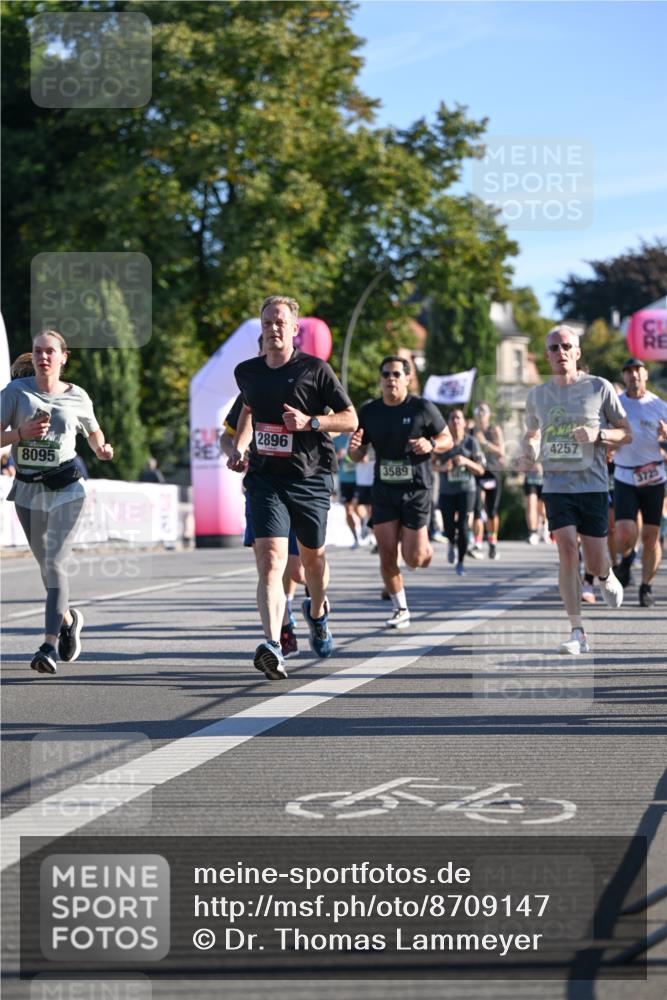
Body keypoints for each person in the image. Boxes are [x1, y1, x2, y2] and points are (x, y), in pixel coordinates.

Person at [233, 296, 357, 679]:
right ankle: (273, 643)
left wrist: (311, 423)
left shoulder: (315, 370)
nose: (273, 328)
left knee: (312, 561)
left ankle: (317, 612)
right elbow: (247, 414)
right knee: (270, 562)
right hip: (266, 479)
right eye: (268, 321)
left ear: (294, 328)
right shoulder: (247, 372)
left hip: (311, 476)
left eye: (280, 322)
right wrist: (239, 448)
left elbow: (350, 419)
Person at [0, 331, 114, 674]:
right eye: (38, 351)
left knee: (55, 561)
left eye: (50, 351)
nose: (43, 357)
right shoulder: (15, 393)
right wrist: (21, 434)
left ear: (63, 357)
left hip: (67, 488)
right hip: (27, 489)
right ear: (32, 357)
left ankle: (48, 646)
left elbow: (93, 430)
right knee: (47, 568)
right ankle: (68, 620)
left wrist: (100, 449)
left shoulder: (77, 395)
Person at [521, 325, 631, 655]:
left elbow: (626, 433)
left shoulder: (599, 387)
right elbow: (532, 433)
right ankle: (577, 630)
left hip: (593, 485)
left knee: (596, 562)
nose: (561, 352)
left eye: (567, 346)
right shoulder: (537, 395)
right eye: (554, 348)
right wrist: (529, 445)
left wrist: (599, 435)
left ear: (578, 352)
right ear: (547, 355)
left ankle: (606, 575)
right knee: (567, 548)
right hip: (556, 485)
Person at [348, 356, 452, 628]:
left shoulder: (422, 408)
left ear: (407, 378)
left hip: (416, 489)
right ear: (380, 379)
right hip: (383, 490)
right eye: (385, 374)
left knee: (415, 559)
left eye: (396, 374)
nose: (390, 379)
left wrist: (431, 445)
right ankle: (400, 608)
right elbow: (358, 454)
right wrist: (354, 449)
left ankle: (422, 545)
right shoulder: (370, 411)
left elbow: (447, 439)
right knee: (385, 552)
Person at [220, 384, 306, 659]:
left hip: (299, 486)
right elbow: (226, 437)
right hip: (261, 488)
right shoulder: (250, 391)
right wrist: (235, 452)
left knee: (298, 572)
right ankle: (280, 632)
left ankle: (309, 609)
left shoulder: (304, 386)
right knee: (269, 563)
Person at [611, 358, 667, 607]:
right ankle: (626, 559)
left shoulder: (659, 406)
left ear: (646, 375)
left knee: (651, 537)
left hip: (654, 476)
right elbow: (606, 434)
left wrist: (665, 437)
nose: (633, 375)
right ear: (624, 377)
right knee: (624, 532)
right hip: (624, 474)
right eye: (628, 371)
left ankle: (646, 587)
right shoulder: (616, 404)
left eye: (637, 370)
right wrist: (608, 446)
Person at [436, 408, 485, 576]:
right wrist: (443, 467)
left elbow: (480, 470)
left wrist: (465, 461)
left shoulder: (471, 443)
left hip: (467, 490)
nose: (456, 421)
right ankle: (451, 541)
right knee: (449, 526)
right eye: (452, 418)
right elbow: (430, 465)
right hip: (446, 491)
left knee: (463, 525)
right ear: (448, 423)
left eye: (459, 418)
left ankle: (461, 562)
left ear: (464, 422)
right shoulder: (442, 443)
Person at [472, 402, 505, 559]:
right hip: (476, 473)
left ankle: (492, 542)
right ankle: (477, 542)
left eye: (483, 412)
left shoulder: (494, 430)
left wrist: (484, 443)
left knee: (491, 511)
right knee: (477, 509)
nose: (480, 414)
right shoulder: (471, 431)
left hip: (493, 473)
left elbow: (501, 451)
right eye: (478, 411)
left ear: (489, 415)